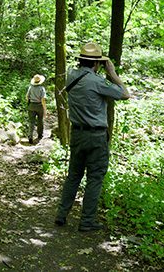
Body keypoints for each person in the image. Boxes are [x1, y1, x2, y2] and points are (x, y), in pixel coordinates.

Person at [55, 42, 130, 231]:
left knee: (73, 176)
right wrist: (112, 74)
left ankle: (61, 215)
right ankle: (86, 221)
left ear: (80, 61)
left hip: (77, 134)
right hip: (96, 136)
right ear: (96, 63)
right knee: (95, 178)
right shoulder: (97, 81)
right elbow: (125, 94)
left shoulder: (71, 76)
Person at [26, 74, 47, 144]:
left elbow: (27, 97)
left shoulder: (30, 88)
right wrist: (45, 109)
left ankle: (30, 136)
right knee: (40, 120)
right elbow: (43, 99)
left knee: (31, 122)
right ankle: (40, 135)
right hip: (39, 106)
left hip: (31, 105)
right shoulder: (42, 88)